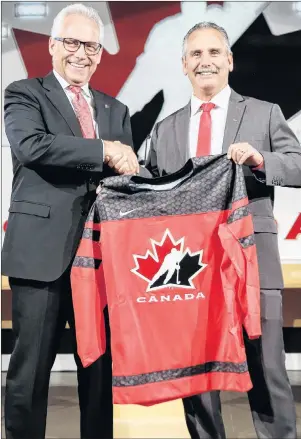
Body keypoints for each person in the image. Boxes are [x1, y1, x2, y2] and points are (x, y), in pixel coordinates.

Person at [145, 22, 301, 439]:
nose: (205, 61)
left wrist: (260, 160)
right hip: (189, 268)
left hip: (252, 259)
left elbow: (298, 164)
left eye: (214, 52)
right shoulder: (166, 129)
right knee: (195, 372)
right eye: (196, 55)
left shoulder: (264, 113)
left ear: (229, 61)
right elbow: (150, 188)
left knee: (267, 367)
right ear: (184, 66)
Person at [2, 4, 138, 439]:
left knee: (99, 373)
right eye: (73, 42)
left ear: (101, 53)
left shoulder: (116, 109)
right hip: (41, 255)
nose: (82, 53)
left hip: (100, 261)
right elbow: (32, 147)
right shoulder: (24, 92)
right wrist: (103, 150)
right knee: (30, 373)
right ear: (52, 45)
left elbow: (126, 178)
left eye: (92, 46)